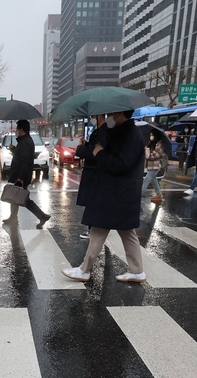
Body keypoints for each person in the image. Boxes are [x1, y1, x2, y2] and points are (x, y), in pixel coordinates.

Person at [62, 110, 146, 283]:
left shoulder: (131, 135)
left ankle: (85, 270)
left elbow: (120, 164)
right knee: (117, 231)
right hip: (118, 193)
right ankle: (136, 271)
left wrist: (99, 153)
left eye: (113, 114)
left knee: (101, 230)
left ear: (121, 113)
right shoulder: (122, 132)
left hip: (118, 194)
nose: (110, 116)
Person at [2, 120, 51, 228]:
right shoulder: (24, 141)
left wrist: (20, 178)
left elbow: (24, 162)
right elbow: (21, 157)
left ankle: (42, 216)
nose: (16, 130)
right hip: (19, 174)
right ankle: (13, 217)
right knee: (15, 197)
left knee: (23, 199)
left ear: (22, 129)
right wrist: (14, 149)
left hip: (21, 175)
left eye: (17, 128)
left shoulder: (25, 142)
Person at [74, 115, 108, 239]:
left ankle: (93, 230)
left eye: (94, 115)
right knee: (92, 202)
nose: (92, 117)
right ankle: (93, 229)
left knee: (93, 203)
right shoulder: (98, 130)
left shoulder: (103, 131)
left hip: (95, 172)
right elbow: (94, 148)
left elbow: (97, 152)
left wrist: (81, 149)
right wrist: (87, 144)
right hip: (92, 171)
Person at [141, 132, 166, 203]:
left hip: (156, 165)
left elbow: (156, 156)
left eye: (152, 135)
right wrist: (146, 150)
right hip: (150, 165)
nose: (151, 136)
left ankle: (139, 194)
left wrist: (148, 153)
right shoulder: (151, 143)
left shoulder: (160, 145)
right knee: (154, 181)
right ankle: (159, 194)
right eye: (150, 135)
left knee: (146, 179)